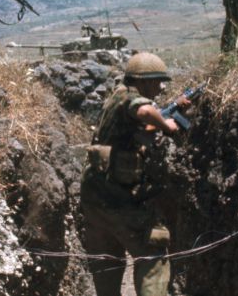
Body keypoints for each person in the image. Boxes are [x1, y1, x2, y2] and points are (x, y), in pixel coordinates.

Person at [80, 52, 192, 296]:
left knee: (106, 261)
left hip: (94, 201)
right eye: (156, 82)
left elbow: (138, 130)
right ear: (143, 81)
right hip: (120, 200)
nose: (159, 87)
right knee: (153, 255)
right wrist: (167, 125)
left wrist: (171, 109)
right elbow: (143, 112)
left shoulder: (114, 99)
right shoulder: (131, 98)